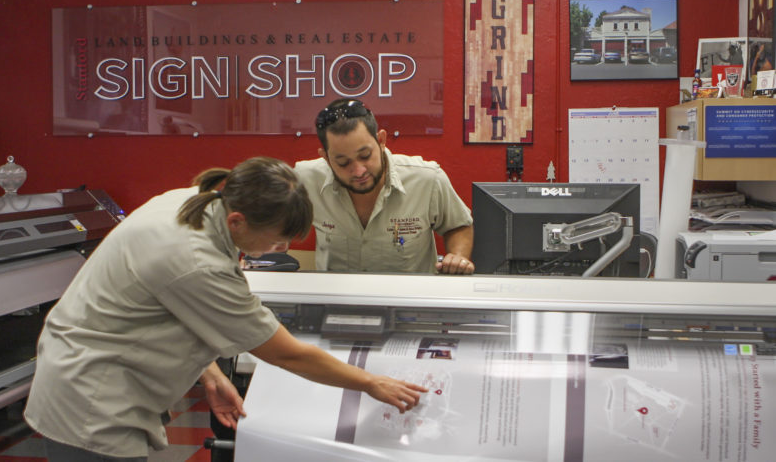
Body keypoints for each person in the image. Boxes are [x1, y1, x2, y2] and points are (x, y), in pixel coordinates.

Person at [23, 157, 426, 461]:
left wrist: (210, 373)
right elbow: (286, 352)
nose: (278, 251)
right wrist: (372, 383)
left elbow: (168, 305)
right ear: (237, 221)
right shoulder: (195, 261)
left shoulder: (195, 199)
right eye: (275, 243)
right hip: (91, 396)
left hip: (91, 367)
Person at [294, 98, 475, 274]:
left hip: (408, 300)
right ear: (325, 156)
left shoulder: (427, 179)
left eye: (365, 155)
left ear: (381, 140)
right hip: (336, 300)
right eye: (343, 162)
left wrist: (458, 257)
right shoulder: (306, 179)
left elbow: (458, 226)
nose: (358, 171)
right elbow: (275, 223)